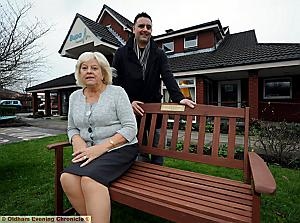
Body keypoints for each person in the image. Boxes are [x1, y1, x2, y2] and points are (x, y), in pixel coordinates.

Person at [60, 52, 138, 223]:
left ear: (103, 73)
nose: (89, 71)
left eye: (94, 68)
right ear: (79, 73)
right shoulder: (74, 97)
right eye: (84, 68)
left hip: (119, 148)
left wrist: (101, 148)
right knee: (67, 178)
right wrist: (77, 141)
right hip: (88, 150)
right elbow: (72, 128)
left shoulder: (117, 93)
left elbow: (131, 128)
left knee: (90, 180)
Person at [112, 12, 196, 165]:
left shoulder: (159, 53)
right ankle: (143, 185)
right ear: (133, 29)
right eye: (141, 26)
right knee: (139, 153)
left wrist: (179, 97)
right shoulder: (121, 53)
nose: (145, 29)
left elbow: (168, 76)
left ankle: (159, 181)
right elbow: (115, 83)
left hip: (155, 113)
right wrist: (128, 102)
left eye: (149, 27)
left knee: (158, 153)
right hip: (132, 112)